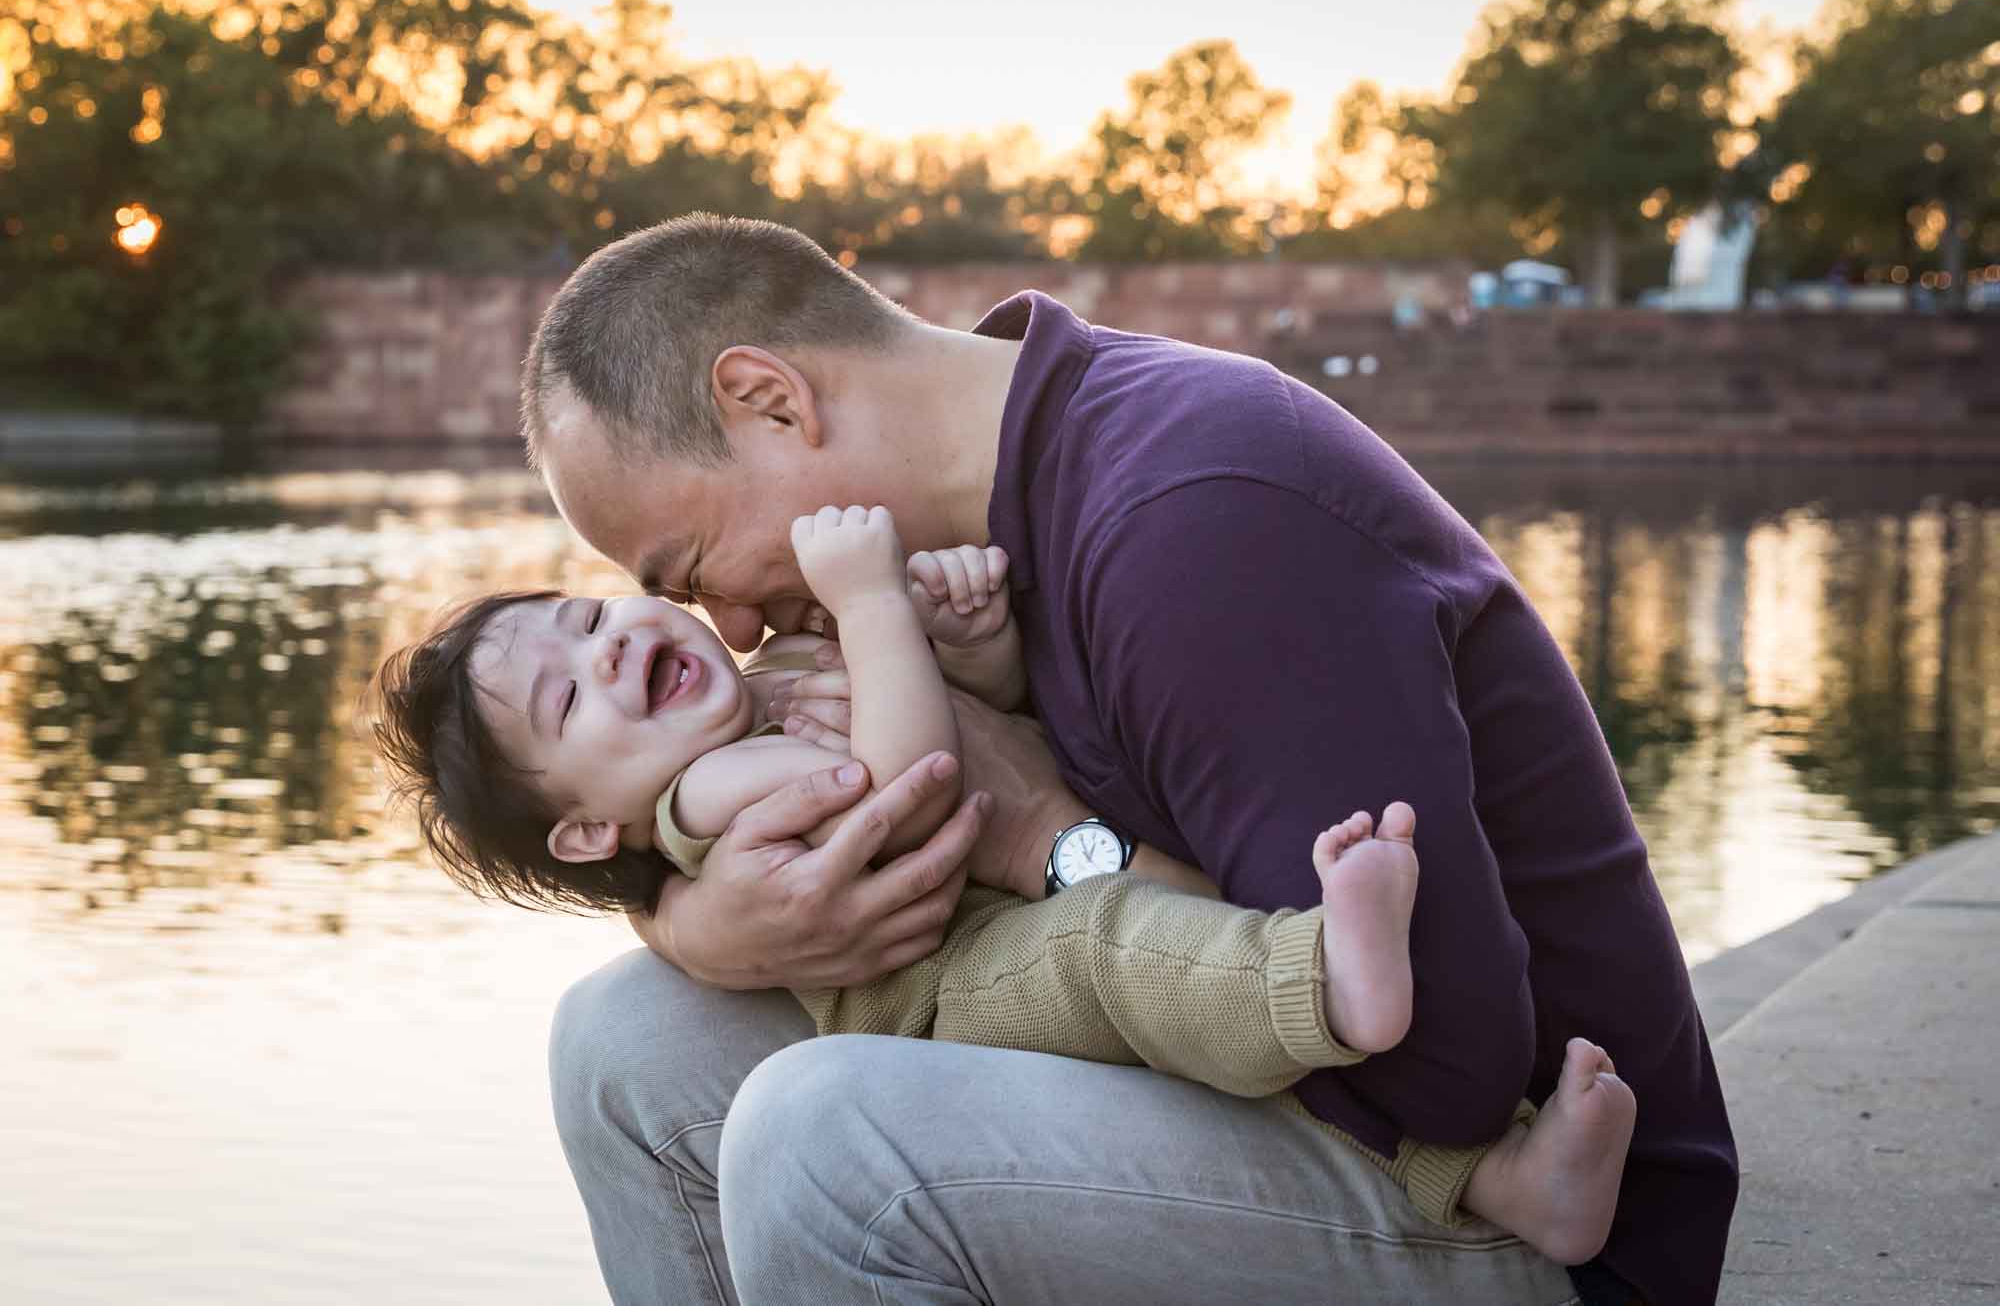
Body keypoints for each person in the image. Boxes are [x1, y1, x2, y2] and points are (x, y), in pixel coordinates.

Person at [521, 214, 1738, 1304]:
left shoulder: (1194, 523)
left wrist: (1028, 830)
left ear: (772, 400)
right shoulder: (984, 521)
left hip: (1522, 1201)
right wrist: (689, 928)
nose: (723, 627)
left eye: (687, 565)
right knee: (625, 1043)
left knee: (826, 1137)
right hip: (1290, 1088)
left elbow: (1443, 1064)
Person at [366, 513, 1636, 1263]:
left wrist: (970, 640)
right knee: (1109, 952)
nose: (616, 647)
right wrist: (870, 603)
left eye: (592, 621)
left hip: (1002, 935)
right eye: (569, 694)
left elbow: (986, 725)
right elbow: (911, 773)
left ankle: (1492, 1181)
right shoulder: (704, 794)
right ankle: (1323, 975)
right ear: (592, 831)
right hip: (953, 999)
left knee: (1207, 1032)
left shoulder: (770, 682)